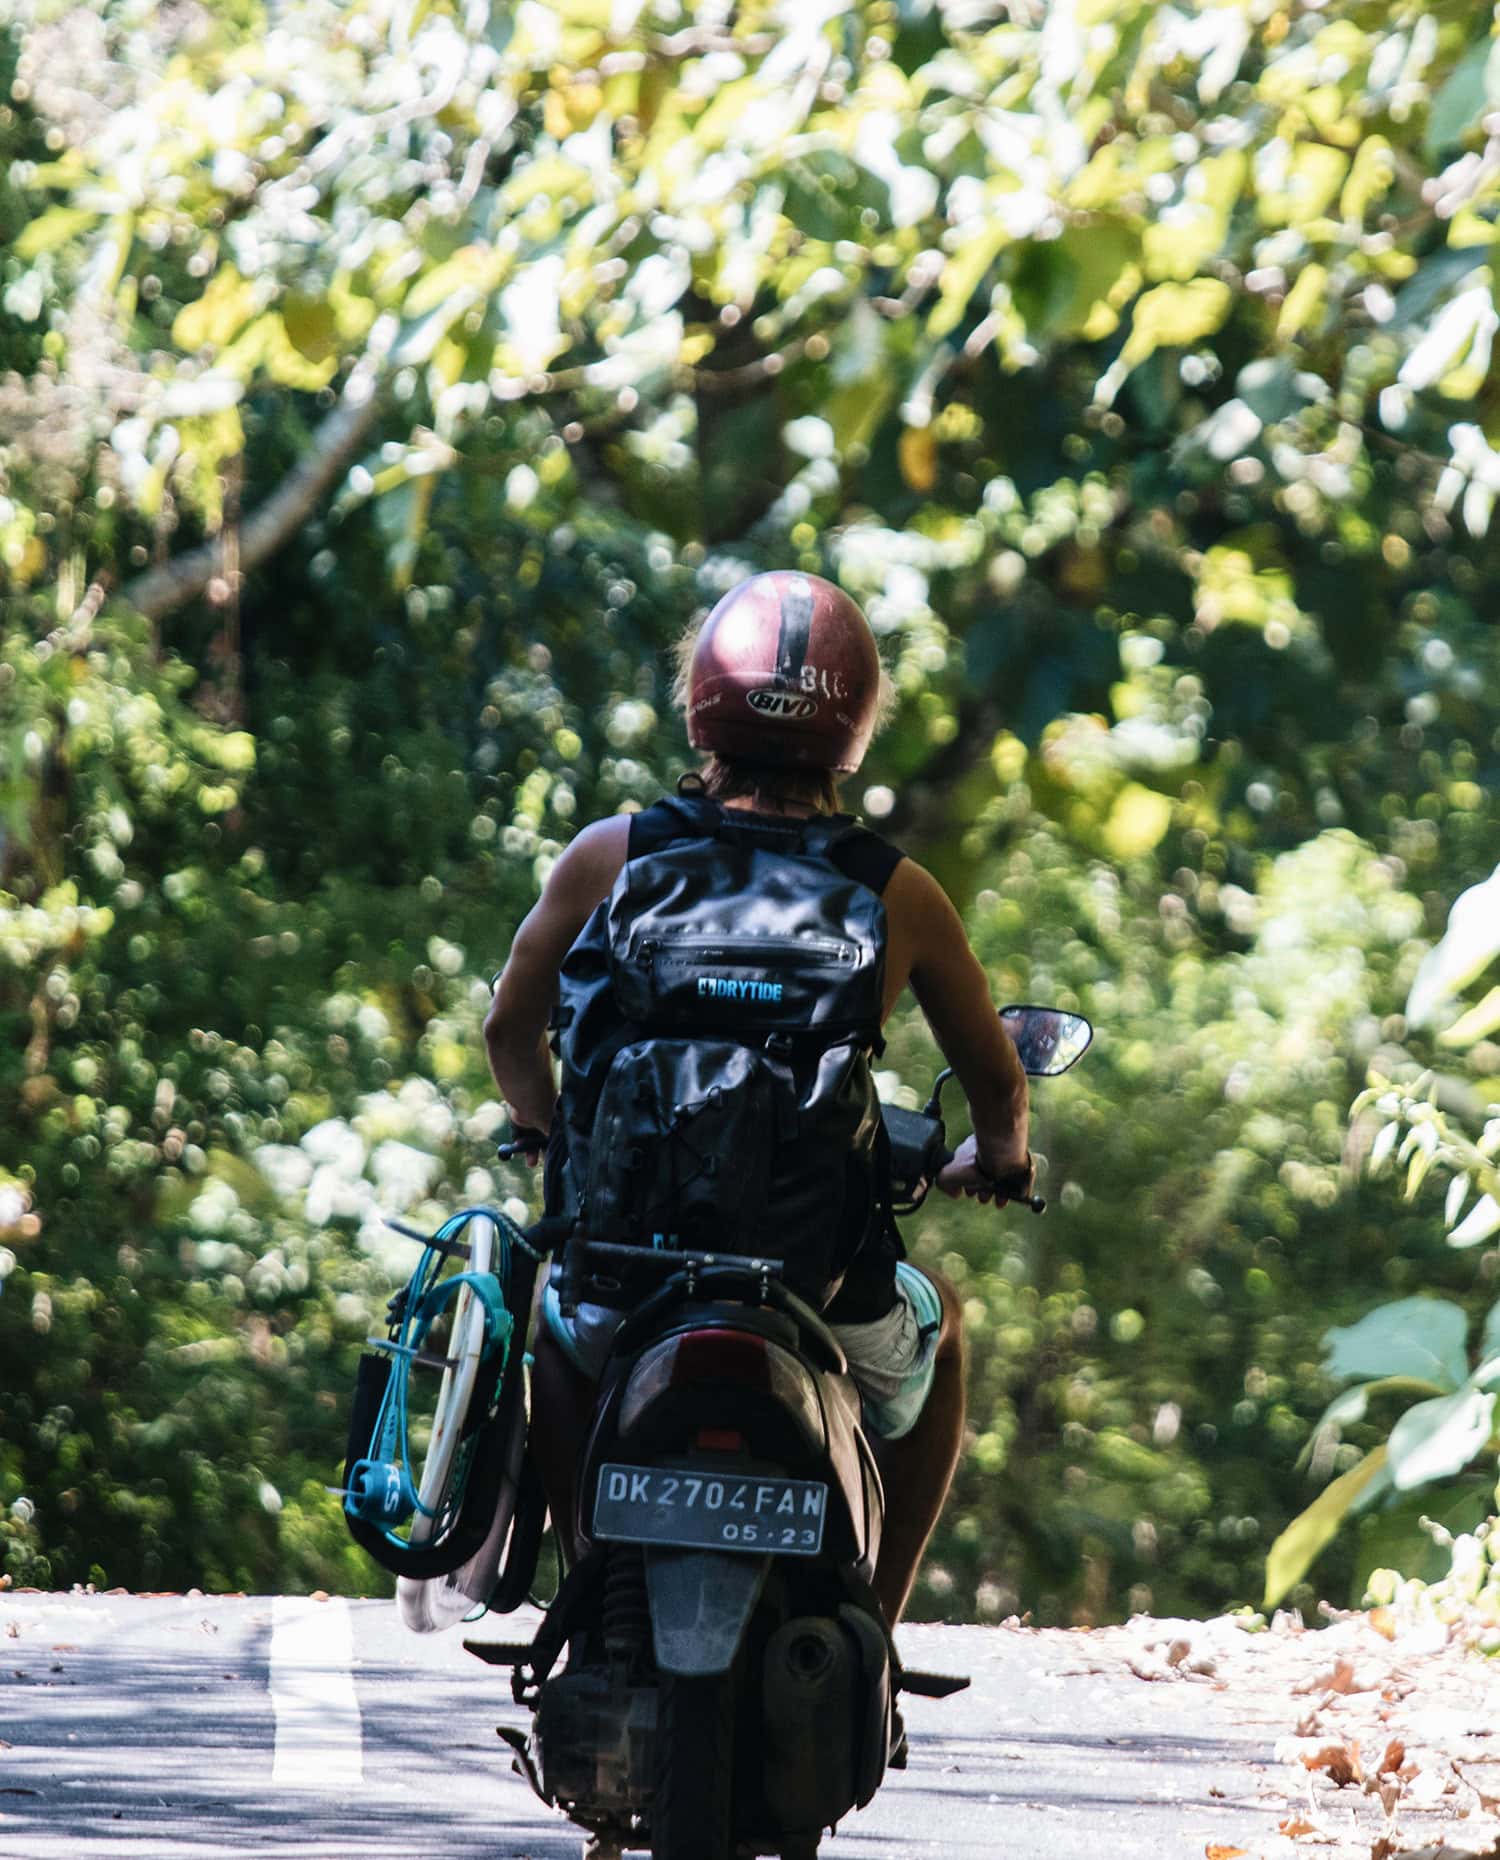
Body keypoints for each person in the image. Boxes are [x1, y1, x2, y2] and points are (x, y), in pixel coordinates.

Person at [485, 570, 1032, 1625]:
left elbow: (511, 1028)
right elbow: (994, 1079)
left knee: (555, 1327)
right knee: (942, 1328)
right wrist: (1003, 1158)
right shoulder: (894, 889)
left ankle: (587, 1590)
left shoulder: (614, 854)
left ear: (703, 707)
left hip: (627, 1273)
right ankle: (873, 1621)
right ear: (855, 725)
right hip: (818, 1287)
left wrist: (546, 1131)